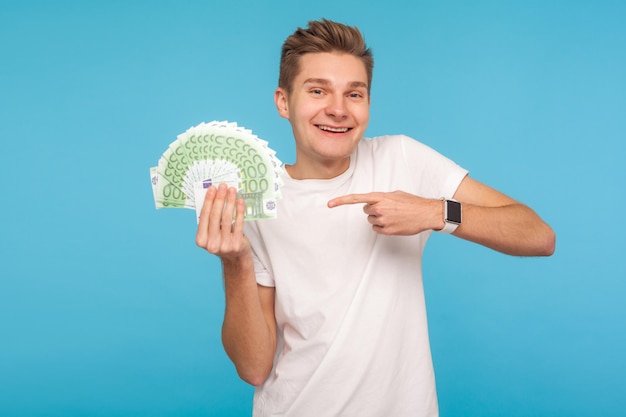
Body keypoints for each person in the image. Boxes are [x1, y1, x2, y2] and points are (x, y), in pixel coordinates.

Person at [195, 18, 555, 417]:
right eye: (318, 91)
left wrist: (435, 212)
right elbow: (253, 367)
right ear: (284, 101)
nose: (337, 109)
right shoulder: (258, 202)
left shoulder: (401, 159)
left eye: (355, 93)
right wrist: (235, 262)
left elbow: (538, 235)